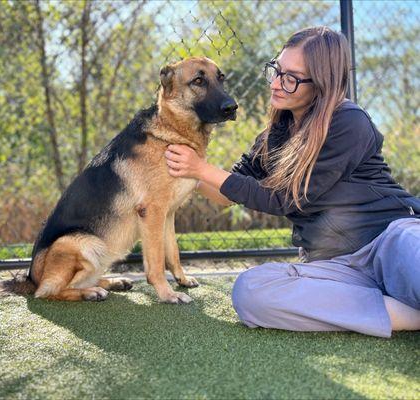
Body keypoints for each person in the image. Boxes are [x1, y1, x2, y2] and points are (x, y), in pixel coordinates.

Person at [164, 26, 420, 338]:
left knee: (413, 251)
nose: (276, 83)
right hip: (336, 268)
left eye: (291, 77)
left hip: (389, 241)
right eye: (277, 69)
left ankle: (379, 307)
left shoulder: (348, 123)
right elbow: (227, 192)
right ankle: (404, 314)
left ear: (321, 84)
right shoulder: (276, 134)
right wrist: (176, 166)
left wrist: (201, 169)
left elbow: (285, 198)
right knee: (250, 291)